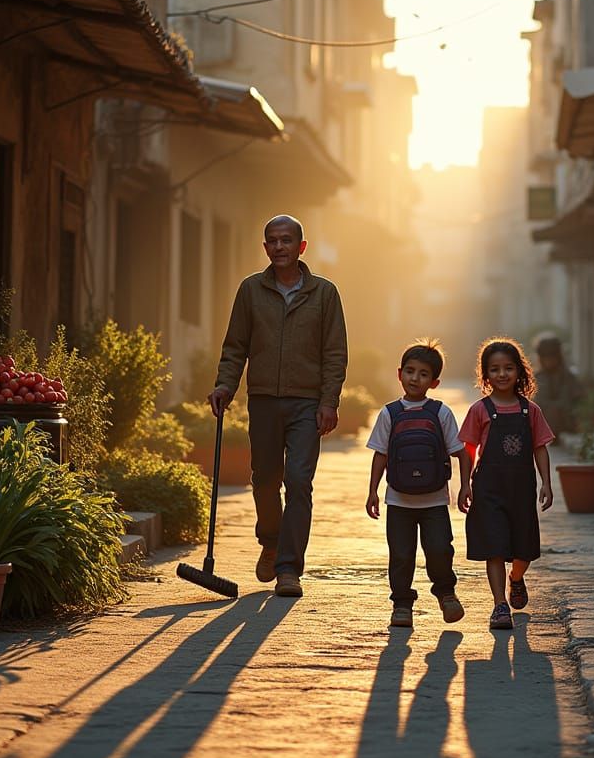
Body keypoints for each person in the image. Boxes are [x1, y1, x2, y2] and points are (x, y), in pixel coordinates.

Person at [208, 215, 348, 599]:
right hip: (265, 401)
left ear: (302, 247)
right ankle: (270, 541)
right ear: (265, 247)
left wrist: (328, 401)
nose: (280, 247)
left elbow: (335, 354)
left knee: (299, 481)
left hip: (306, 404)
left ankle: (289, 569)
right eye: (272, 241)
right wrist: (225, 385)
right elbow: (235, 346)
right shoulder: (251, 291)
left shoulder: (324, 293)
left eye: (287, 240)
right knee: (265, 480)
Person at [365, 339, 471, 629]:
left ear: (434, 382)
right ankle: (401, 604)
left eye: (423, 374)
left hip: (435, 500)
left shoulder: (440, 413)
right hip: (398, 500)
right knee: (400, 554)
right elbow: (381, 454)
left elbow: (461, 451)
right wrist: (373, 491)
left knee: (440, 549)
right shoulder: (389, 413)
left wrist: (465, 486)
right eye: (410, 371)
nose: (415, 378)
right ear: (399, 374)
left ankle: (446, 594)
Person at [459, 337, 555, 630]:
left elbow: (540, 447)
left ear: (520, 371)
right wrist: (465, 485)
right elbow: (468, 449)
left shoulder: (530, 411)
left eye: (508, 368)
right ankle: (500, 605)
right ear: (485, 375)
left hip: (521, 489)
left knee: (523, 549)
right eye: (495, 369)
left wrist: (546, 483)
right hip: (489, 488)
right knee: (495, 547)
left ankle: (516, 577)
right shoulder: (480, 410)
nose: (502, 374)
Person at [533, 336, 582, 438]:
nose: (549, 361)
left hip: (566, 425)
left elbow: (579, 401)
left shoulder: (568, 377)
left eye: (552, 357)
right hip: (543, 426)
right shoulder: (537, 378)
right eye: (546, 358)